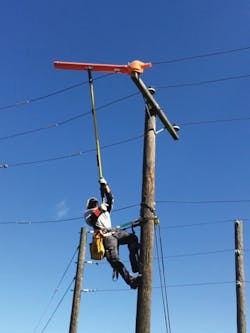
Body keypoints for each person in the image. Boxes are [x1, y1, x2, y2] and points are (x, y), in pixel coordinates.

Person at [84, 177, 140, 289]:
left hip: (115, 232)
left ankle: (136, 265)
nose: (95, 202)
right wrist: (99, 209)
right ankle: (131, 281)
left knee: (133, 238)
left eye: (96, 202)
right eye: (93, 202)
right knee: (115, 261)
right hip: (106, 237)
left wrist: (105, 186)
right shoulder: (88, 213)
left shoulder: (104, 209)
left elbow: (110, 199)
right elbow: (92, 220)